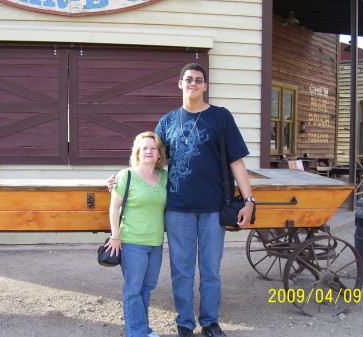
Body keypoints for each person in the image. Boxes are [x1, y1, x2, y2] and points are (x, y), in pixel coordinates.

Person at [109, 63, 254, 337]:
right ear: (180, 84)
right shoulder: (166, 122)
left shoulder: (221, 118)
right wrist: (124, 178)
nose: (193, 84)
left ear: (205, 86)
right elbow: (150, 157)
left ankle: (210, 322)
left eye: (199, 80)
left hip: (213, 208)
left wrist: (249, 199)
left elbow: (236, 161)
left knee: (211, 271)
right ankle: (185, 322)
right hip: (178, 210)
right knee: (182, 271)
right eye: (188, 80)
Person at [106, 131, 168, 337]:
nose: (149, 151)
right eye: (144, 148)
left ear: (159, 153)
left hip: (156, 243)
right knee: (133, 289)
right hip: (132, 242)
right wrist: (115, 236)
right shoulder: (127, 175)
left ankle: (143, 330)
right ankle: (138, 333)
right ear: (138, 153)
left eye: (153, 148)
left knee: (147, 287)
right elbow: (114, 207)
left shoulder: (165, 177)